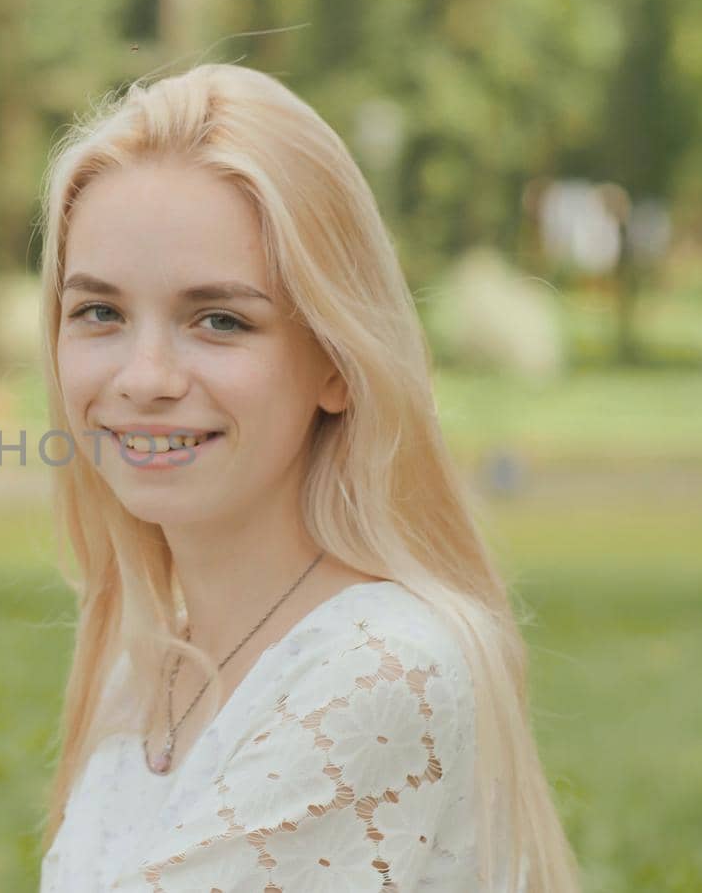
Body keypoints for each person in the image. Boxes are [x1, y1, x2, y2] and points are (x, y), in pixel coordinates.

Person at [33, 63, 580, 892]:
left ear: (338, 362)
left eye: (218, 320)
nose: (144, 378)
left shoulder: (378, 669)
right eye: (99, 312)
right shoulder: (156, 657)